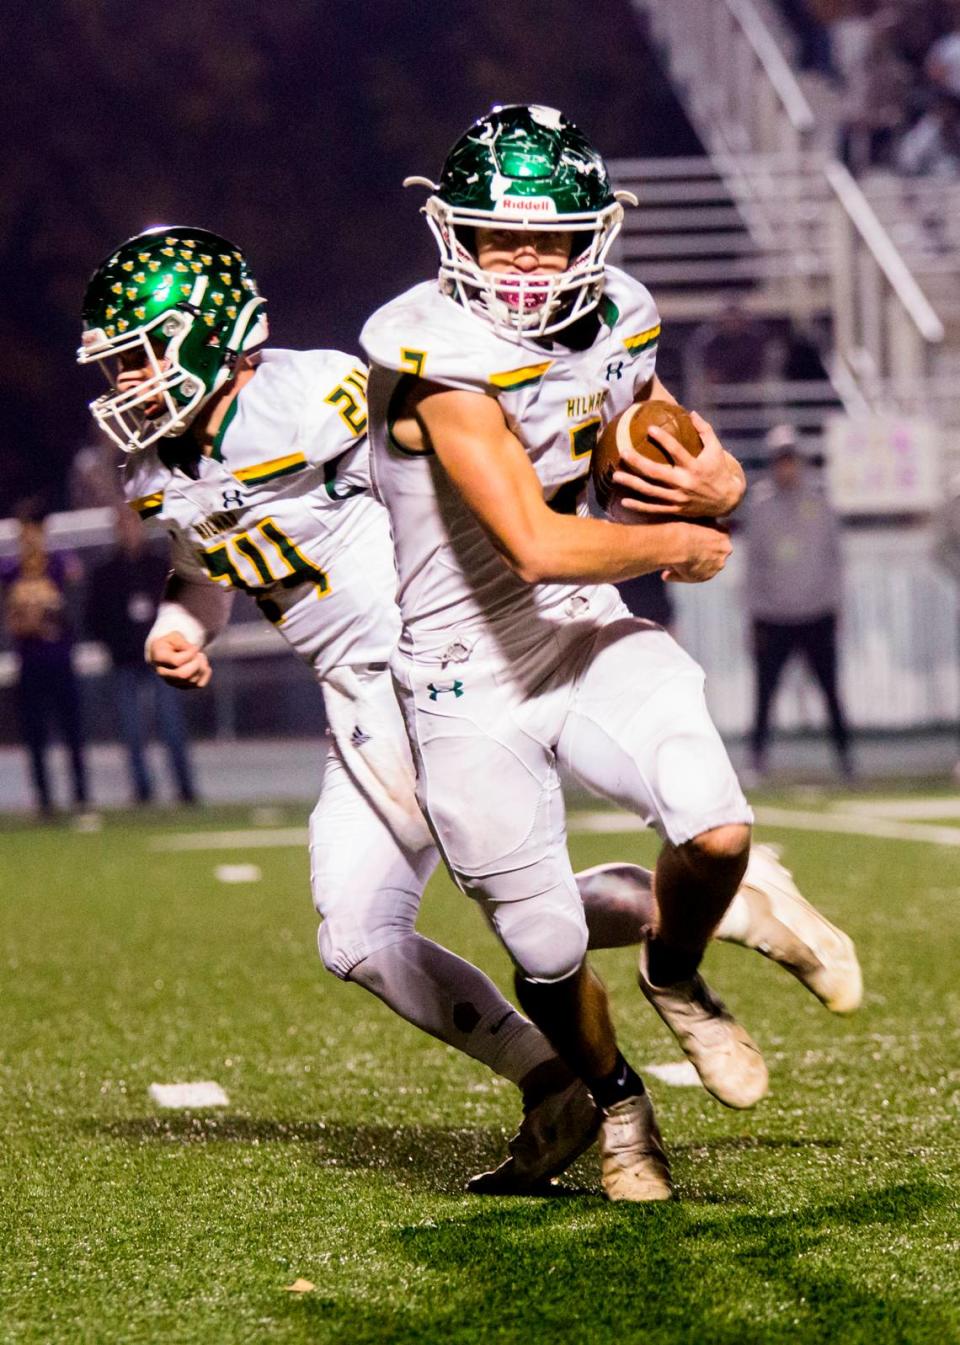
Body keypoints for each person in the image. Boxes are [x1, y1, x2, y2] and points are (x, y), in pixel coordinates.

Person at [79, 224, 860, 1200]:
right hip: (356, 694)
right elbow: (205, 570)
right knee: (361, 933)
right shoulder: (154, 465)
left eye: (144, 355)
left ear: (217, 335)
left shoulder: (317, 395)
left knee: (520, 904)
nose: (131, 382)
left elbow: (463, 480)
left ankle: (696, 932)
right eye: (121, 364)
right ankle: (559, 1071)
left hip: (435, 659)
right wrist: (176, 624)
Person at [361, 104, 844, 1200]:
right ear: (457, 237)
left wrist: (712, 474)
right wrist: (680, 536)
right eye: (501, 238)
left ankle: (675, 971)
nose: (526, 265)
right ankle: (619, 1100)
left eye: (548, 239)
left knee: (718, 834)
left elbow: (654, 417)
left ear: (594, 237)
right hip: (462, 671)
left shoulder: (620, 309)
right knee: (542, 945)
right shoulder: (429, 355)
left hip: (582, 635)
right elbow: (534, 539)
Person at [745, 426, 853, 778]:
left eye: (791, 459)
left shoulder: (819, 503)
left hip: (816, 613)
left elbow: (835, 558)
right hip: (773, 616)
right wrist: (754, 615)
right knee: (764, 694)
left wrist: (835, 604)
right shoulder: (760, 507)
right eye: (780, 460)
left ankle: (845, 759)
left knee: (831, 692)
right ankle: (757, 760)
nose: (786, 467)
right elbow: (752, 566)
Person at [85, 505, 198, 804]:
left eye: (133, 525)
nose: (128, 531)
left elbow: (180, 605)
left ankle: (185, 789)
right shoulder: (105, 574)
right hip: (125, 661)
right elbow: (93, 618)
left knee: (172, 726)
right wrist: (116, 645)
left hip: (161, 660)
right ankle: (143, 791)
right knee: (132, 731)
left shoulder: (159, 567)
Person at [1, 508, 89, 816]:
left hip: (60, 660)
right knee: (34, 733)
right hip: (30, 661)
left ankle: (81, 795)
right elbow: (12, 618)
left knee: (72, 731)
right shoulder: (11, 569)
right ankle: (44, 798)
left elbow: (74, 608)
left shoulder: (61, 564)